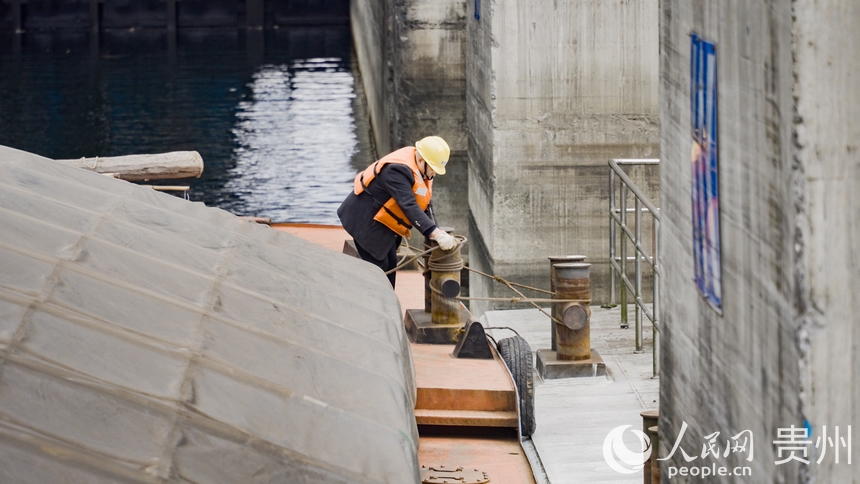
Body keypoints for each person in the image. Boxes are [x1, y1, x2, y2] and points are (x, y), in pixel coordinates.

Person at [337, 136, 457, 288]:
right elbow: (408, 205)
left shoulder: (422, 171)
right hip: (367, 225)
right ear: (421, 160)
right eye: (433, 169)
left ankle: (385, 306)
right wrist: (434, 233)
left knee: (391, 267)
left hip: (386, 228)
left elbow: (425, 204)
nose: (434, 174)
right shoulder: (396, 171)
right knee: (379, 274)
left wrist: (438, 231)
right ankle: (377, 308)